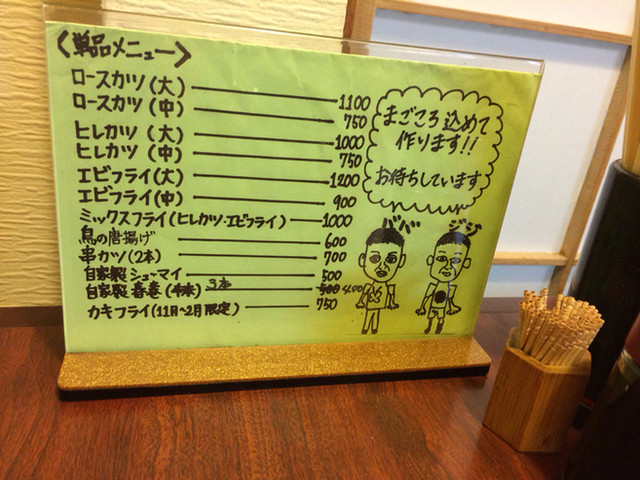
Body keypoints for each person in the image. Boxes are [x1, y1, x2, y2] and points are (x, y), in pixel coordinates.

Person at [416, 220, 480, 334]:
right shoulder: (433, 286)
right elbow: (426, 297)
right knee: (430, 318)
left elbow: (450, 300)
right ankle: (429, 327)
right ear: (430, 260)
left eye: (455, 261)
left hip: (442, 309)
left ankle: (438, 327)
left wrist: (452, 308)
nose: (447, 266)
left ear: (466, 263)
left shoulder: (451, 288)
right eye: (441, 259)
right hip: (433, 307)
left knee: (440, 318)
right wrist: (422, 308)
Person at [356, 227, 406, 334]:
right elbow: (364, 294)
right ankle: (365, 328)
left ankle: (374, 329)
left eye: (391, 260)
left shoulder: (388, 287)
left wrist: (391, 304)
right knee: (369, 313)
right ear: (362, 260)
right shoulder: (370, 286)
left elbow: (391, 297)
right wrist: (360, 302)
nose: (382, 266)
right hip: (371, 303)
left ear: (401, 261)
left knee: (376, 314)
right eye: (375, 259)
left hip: (380, 303)